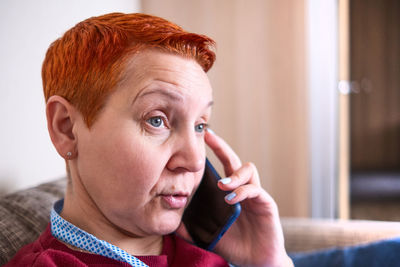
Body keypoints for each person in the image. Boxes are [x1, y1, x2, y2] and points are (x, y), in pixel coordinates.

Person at [6, 13, 293, 267]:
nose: (195, 161)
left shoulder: (208, 251)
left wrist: (270, 261)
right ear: (67, 129)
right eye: (157, 120)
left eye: (200, 125)